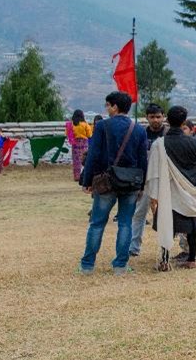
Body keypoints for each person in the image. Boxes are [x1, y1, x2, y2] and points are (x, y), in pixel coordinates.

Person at [78, 91, 148, 275]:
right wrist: (141, 186)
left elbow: (93, 154)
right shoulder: (139, 129)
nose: (107, 109)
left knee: (97, 223)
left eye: (108, 105)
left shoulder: (102, 126)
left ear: (115, 106)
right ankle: (120, 266)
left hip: (106, 182)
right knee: (125, 223)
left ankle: (87, 265)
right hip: (131, 183)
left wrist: (87, 181)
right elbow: (143, 160)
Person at [147, 106, 196, 271]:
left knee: (166, 223)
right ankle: (191, 259)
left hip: (167, 190)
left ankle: (165, 260)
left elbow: (153, 170)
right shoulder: (192, 142)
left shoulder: (159, 144)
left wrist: (153, 195)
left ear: (167, 120)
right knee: (192, 226)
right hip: (189, 188)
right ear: (184, 121)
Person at [129, 104, 168, 257]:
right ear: (147, 117)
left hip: (165, 180)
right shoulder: (141, 134)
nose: (155, 120)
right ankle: (134, 247)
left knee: (169, 213)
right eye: (152, 117)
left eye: (158, 116)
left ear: (163, 116)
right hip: (145, 180)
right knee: (139, 213)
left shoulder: (169, 134)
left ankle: (169, 246)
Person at [66, 110, 93, 182]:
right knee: (85, 159)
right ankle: (84, 176)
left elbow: (67, 134)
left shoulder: (71, 124)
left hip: (75, 144)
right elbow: (90, 135)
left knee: (76, 160)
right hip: (84, 144)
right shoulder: (85, 124)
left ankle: (76, 176)